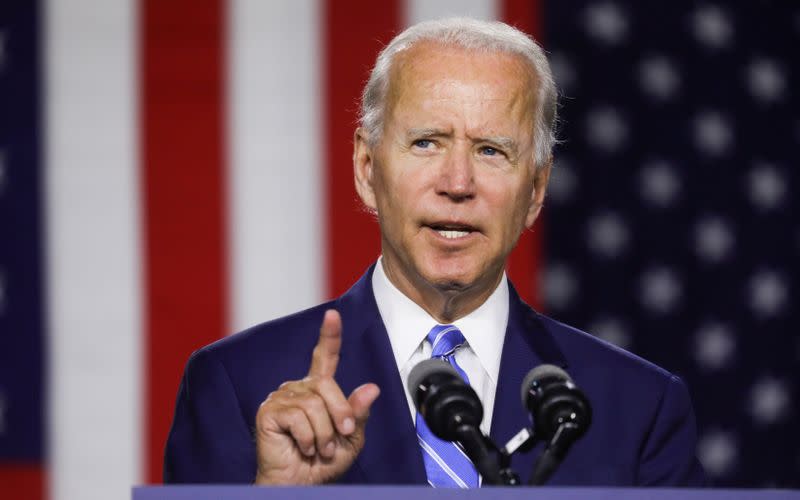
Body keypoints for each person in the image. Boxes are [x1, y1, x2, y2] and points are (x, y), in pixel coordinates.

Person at [164, 17, 706, 487]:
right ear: (367, 168)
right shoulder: (237, 385)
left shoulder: (639, 408)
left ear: (536, 190)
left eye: (492, 150)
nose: (458, 182)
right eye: (427, 142)